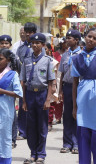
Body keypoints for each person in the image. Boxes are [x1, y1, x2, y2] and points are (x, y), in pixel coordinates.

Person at [71, 28, 96, 164]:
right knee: (83, 134)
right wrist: (74, 107)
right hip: (82, 99)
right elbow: (74, 84)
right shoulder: (76, 58)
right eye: (89, 36)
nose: (91, 40)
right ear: (85, 36)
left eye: (95, 38)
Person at [20, 33, 55, 164]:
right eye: (33, 43)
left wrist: (48, 99)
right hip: (29, 94)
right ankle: (32, 153)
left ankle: (41, 154)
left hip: (42, 94)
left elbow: (51, 81)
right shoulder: (26, 60)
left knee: (41, 126)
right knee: (31, 126)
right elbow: (23, 81)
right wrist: (23, 100)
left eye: (38, 43)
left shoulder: (47, 60)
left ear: (43, 45)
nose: (35, 45)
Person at [0, 34, 21, 148]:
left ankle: (12, 139)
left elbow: (20, 72)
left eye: (6, 43)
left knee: (11, 114)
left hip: (10, 90)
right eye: (2, 43)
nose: (4, 45)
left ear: (10, 45)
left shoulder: (14, 58)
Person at [58, 30, 82, 154]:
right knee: (67, 115)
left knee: (77, 114)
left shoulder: (81, 54)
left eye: (70, 38)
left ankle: (77, 143)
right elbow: (62, 73)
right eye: (66, 38)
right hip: (67, 87)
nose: (67, 40)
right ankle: (67, 143)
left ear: (76, 40)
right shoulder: (65, 55)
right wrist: (60, 90)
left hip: (78, 87)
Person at [16, 22, 37, 140]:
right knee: (22, 106)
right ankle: (22, 131)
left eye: (30, 32)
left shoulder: (41, 47)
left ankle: (32, 131)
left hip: (36, 82)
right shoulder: (20, 48)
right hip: (23, 81)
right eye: (26, 32)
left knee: (34, 108)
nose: (28, 34)